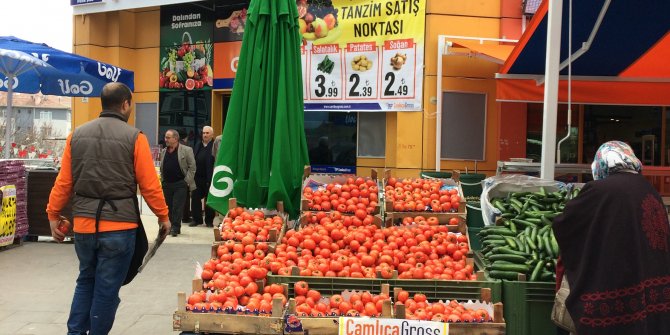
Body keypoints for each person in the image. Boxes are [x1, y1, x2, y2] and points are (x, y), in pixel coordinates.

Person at [46, 82, 170, 335]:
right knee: (106, 289)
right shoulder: (135, 137)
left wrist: (52, 214)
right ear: (125, 104)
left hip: (83, 226)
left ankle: (75, 332)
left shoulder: (76, 135)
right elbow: (149, 185)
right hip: (120, 227)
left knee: (86, 280)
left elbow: (64, 182)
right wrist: (163, 217)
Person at [553, 140, 670, 335]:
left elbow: (565, 224)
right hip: (650, 295)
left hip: (611, 293)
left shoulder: (600, 190)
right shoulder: (650, 190)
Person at [160, 129, 196, 237]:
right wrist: (162, 180)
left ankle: (175, 228)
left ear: (175, 138)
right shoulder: (164, 151)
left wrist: (186, 182)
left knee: (177, 207)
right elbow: (162, 168)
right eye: (165, 137)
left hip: (180, 184)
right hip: (167, 184)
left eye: (168, 137)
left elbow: (192, 167)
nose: (165, 139)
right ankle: (169, 227)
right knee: (168, 207)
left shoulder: (186, 150)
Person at [189, 126, 215, 227]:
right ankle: (197, 219)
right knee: (195, 199)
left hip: (209, 178)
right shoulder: (198, 145)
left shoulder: (214, 146)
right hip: (197, 178)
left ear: (212, 134)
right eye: (203, 133)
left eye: (207, 133)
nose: (205, 135)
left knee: (209, 201)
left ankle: (209, 221)